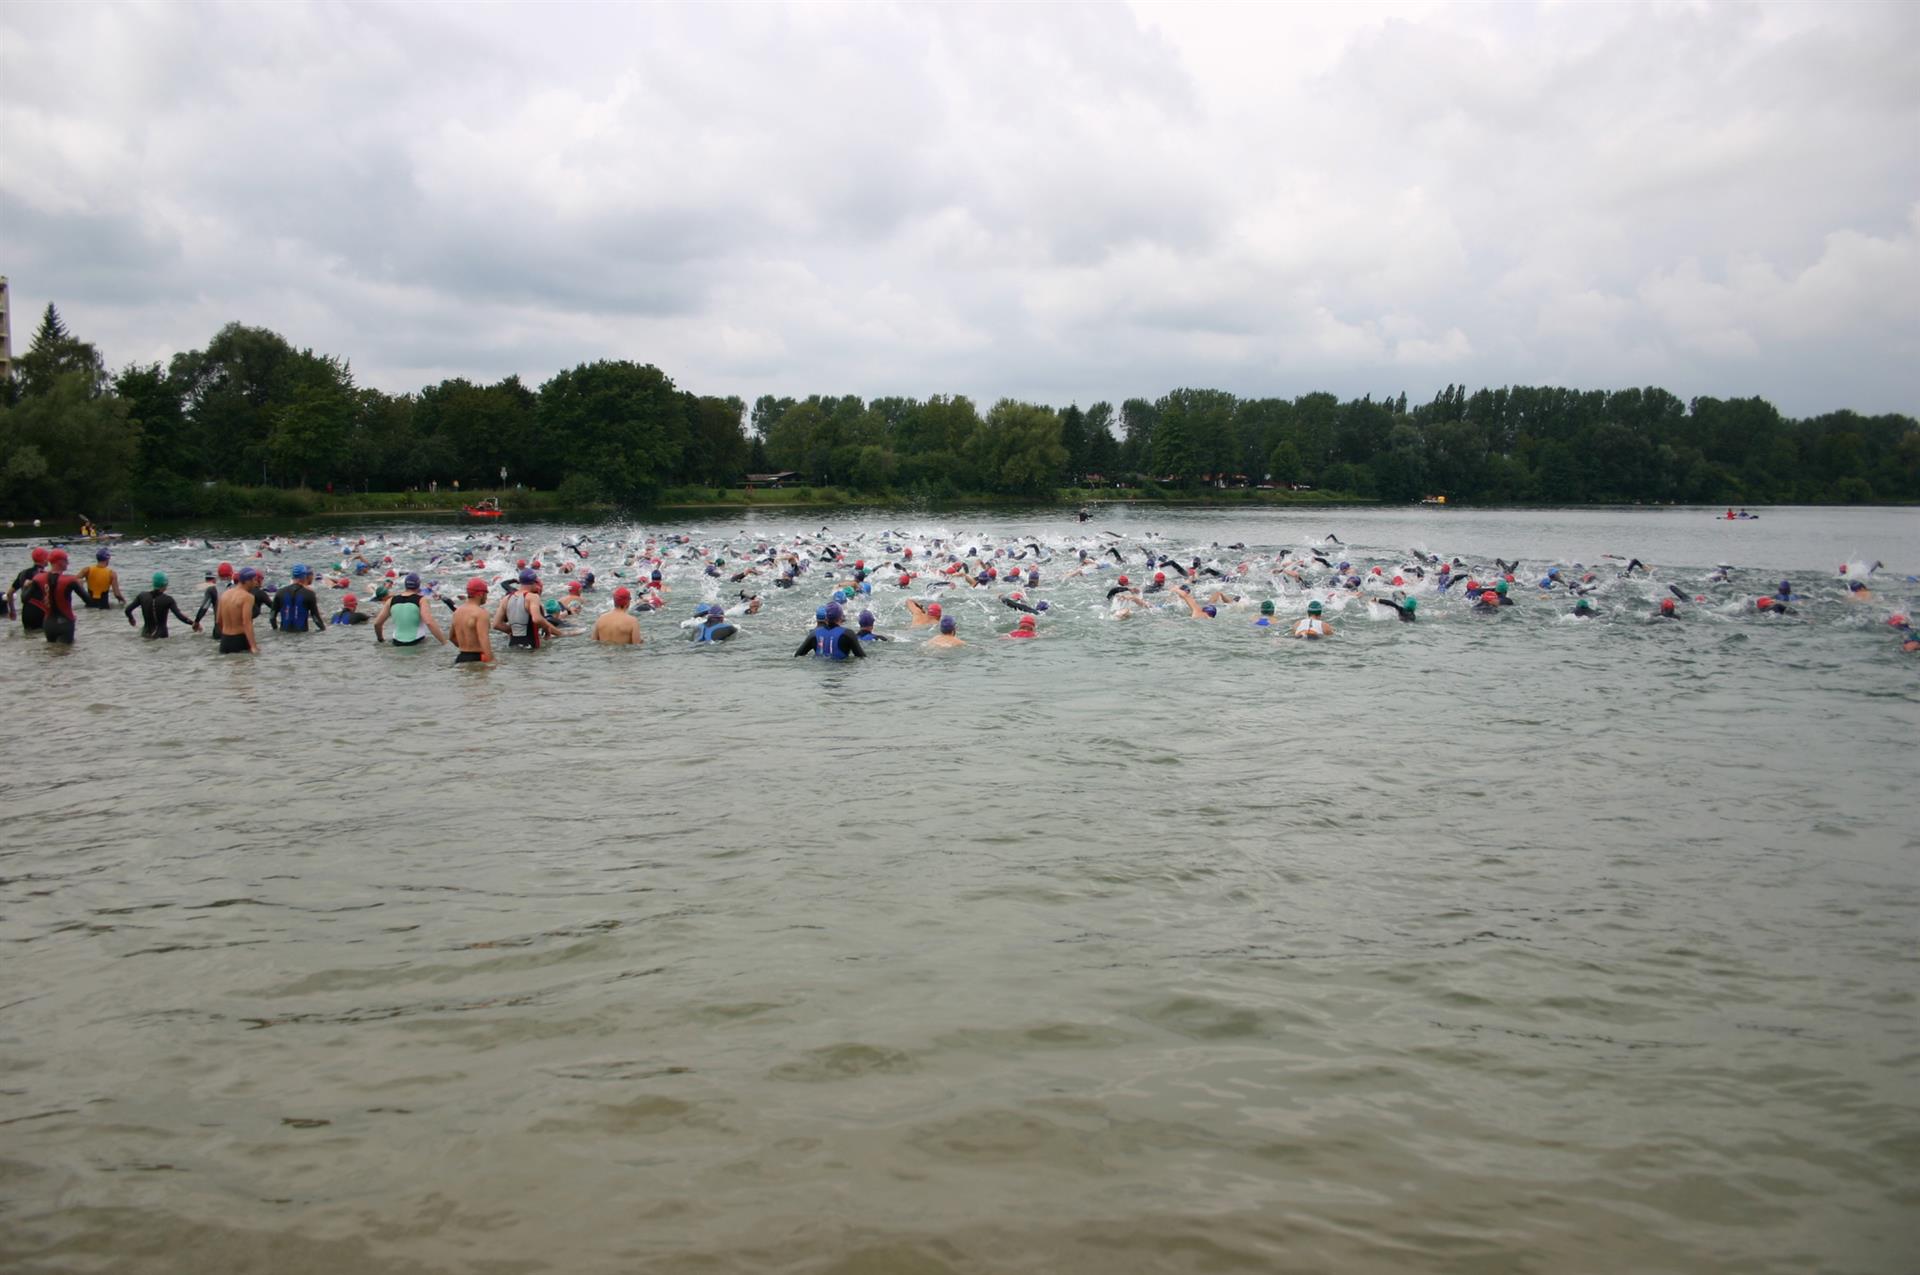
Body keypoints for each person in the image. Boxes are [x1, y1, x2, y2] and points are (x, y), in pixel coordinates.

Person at [29, 549, 88, 644]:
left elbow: (25, 598)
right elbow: (89, 601)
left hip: (48, 623)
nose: (68, 563)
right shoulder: (70, 580)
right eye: (66, 560)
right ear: (60, 562)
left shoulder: (38, 578)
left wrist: (42, 602)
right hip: (65, 623)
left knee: (51, 651)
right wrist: (81, 586)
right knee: (66, 652)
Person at [374, 573, 448, 648]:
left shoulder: (391, 600)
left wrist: (381, 640)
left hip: (396, 642)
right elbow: (429, 622)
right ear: (418, 585)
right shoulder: (422, 600)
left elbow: (377, 624)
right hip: (417, 642)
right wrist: (444, 642)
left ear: (405, 585)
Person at [125, 572, 200, 639]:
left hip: (145, 635)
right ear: (165, 584)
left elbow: (128, 610)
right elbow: (179, 616)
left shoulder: (142, 596)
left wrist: (131, 619)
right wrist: (193, 623)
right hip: (161, 637)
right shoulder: (168, 600)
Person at [794, 602, 865, 660]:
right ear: (841, 617)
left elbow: (797, 656)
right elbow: (862, 657)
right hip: (840, 670)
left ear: (826, 617)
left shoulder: (814, 634)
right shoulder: (848, 634)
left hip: (819, 670)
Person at [215, 567, 262, 654]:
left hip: (224, 641)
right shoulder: (247, 597)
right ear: (247, 581)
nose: (256, 582)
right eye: (254, 580)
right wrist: (253, 646)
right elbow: (246, 623)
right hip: (239, 640)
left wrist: (225, 636)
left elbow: (218, 620)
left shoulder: (224, 594)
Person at [449, 577, 495, 664]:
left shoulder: (457, 612)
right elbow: (483, 639)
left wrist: (466, 649)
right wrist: (492, 662)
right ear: (481, 594)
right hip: (477, 658)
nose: (486, 597)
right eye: (486, 594)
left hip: (460, 658)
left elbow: (451, 637)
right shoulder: (481, 613)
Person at [273, 564, 329, 634]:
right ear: (305, 576)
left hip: (283, 634)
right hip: (302, 635)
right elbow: (315, 618)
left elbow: (272, 617)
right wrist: (324, 630)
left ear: (292, 576)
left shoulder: (280, 592)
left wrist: (275, 630)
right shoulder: (309, 594)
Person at [11, 547, 50, 631]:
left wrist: (12, 610)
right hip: (40, 611)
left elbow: (9, 593)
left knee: (29, 635)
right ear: (44, 559)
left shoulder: (22, 574)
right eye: (47, 557)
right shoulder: (45, 575)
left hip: (26, 613)